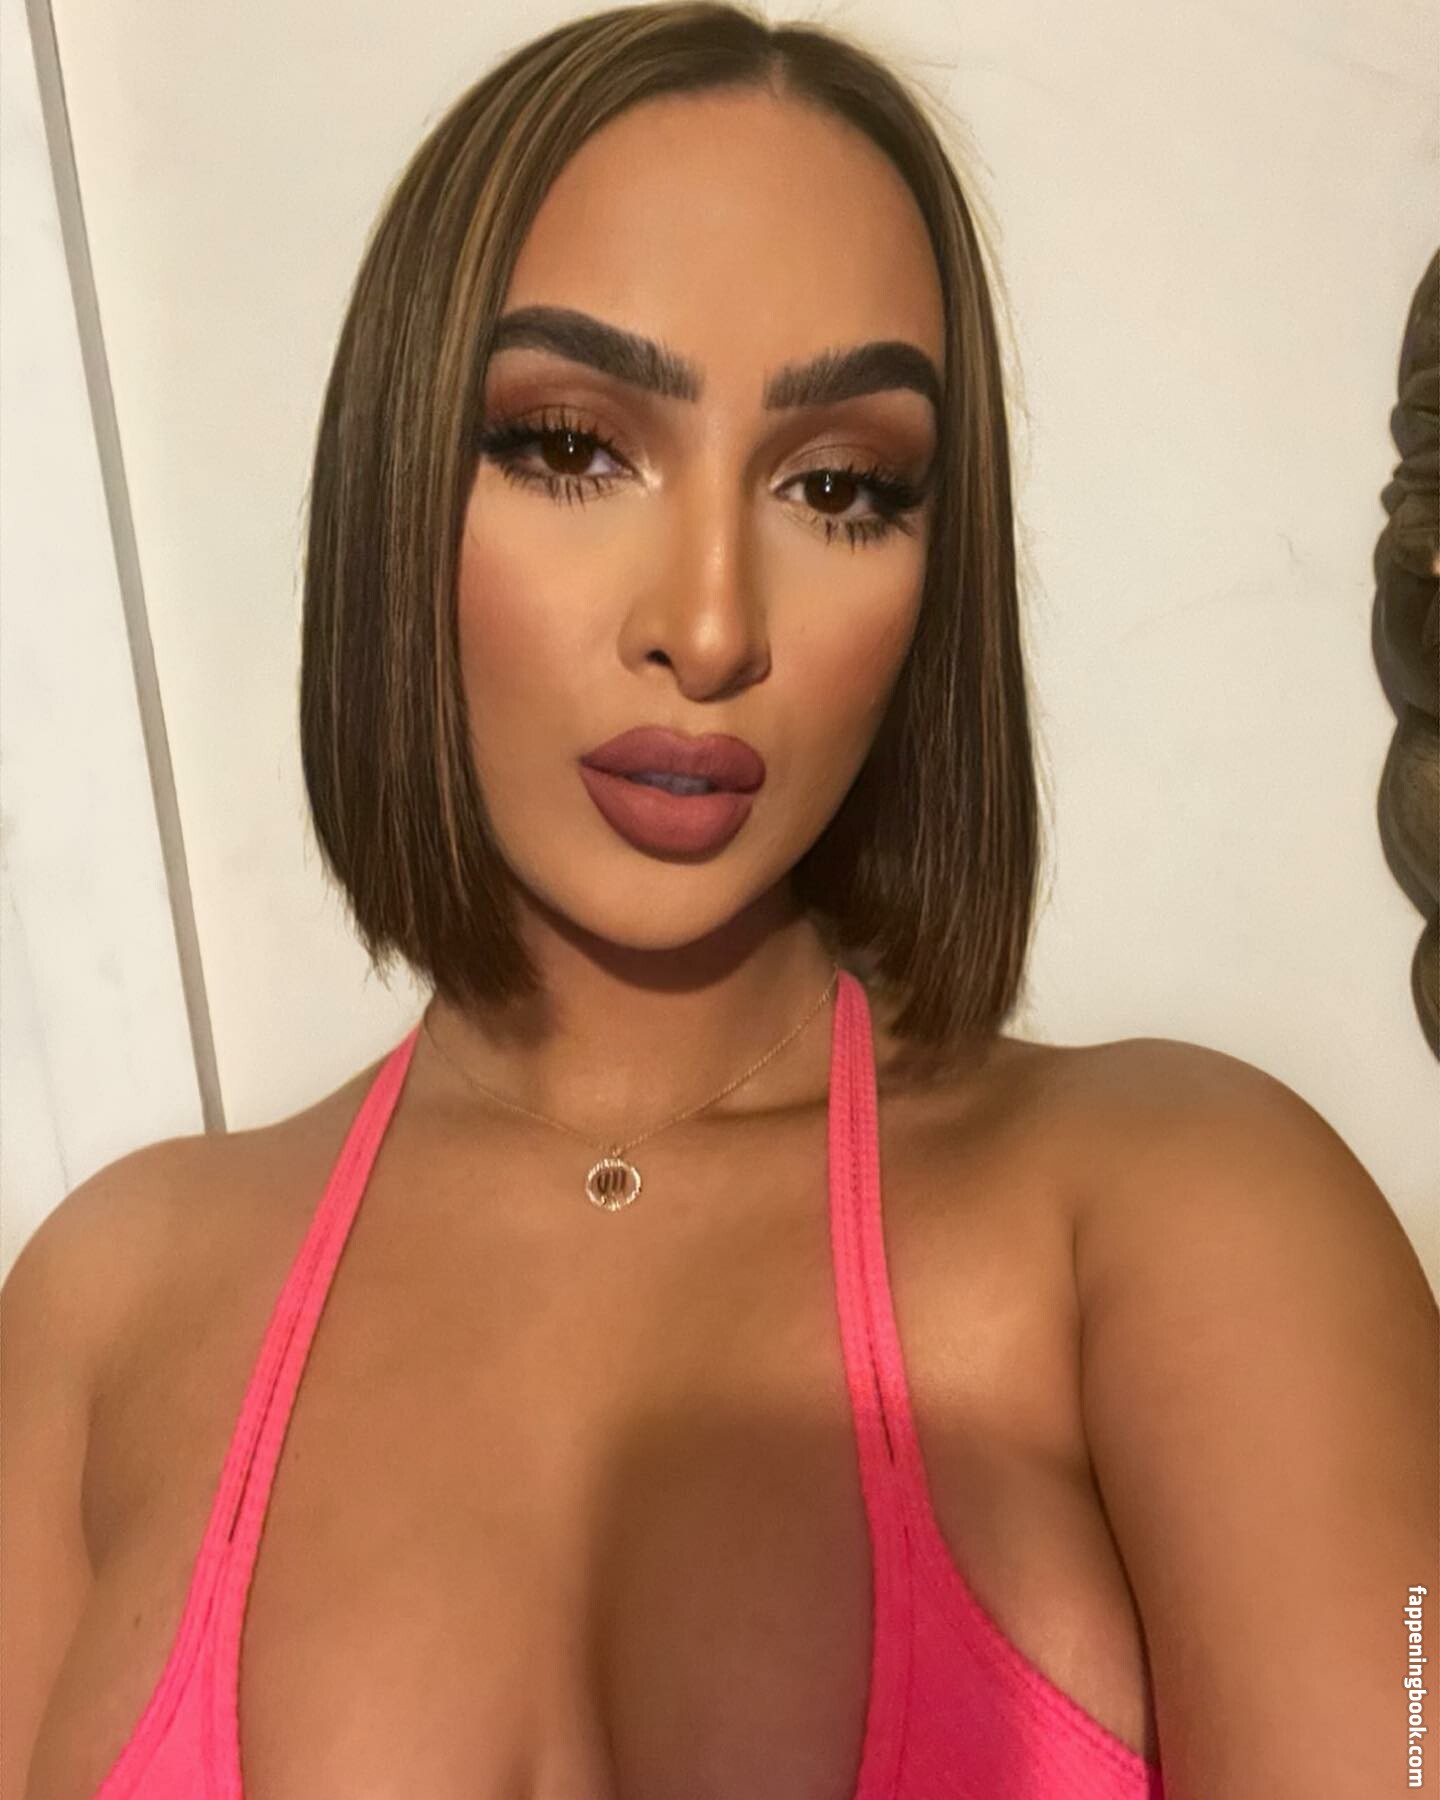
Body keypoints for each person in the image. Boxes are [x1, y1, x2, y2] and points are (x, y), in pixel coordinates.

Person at [3, 5, 1434, 1797]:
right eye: (569, 449)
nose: (709, 625)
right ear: (395, 486)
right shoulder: (99, 1315)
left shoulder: (1191, 1218)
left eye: (838, 487)